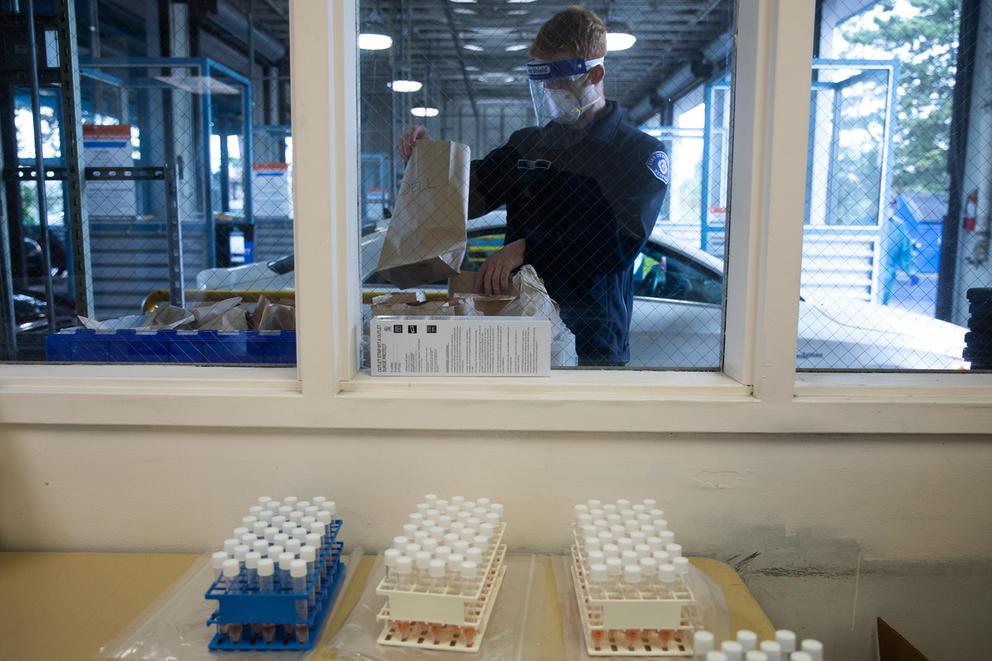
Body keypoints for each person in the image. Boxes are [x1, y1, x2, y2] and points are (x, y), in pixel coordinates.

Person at [397, 6, 669, 366]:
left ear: (595, 74)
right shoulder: (528, 146)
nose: (550, 90)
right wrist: (426, 161)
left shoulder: (638, 154)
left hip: (591, 337)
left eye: (559, 79)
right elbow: (470, 193)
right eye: (543, 80)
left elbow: (617, 243)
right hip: (519, 328)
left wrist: (525, 248)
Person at [880, 194, 919, 306]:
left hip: (887, 276)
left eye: (893, 204)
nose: (890, 207)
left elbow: (906, 251)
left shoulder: (898, 226)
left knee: (881, 308)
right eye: (888, 204)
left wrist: (911, 271)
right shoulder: (866, 222)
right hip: (864, 272)